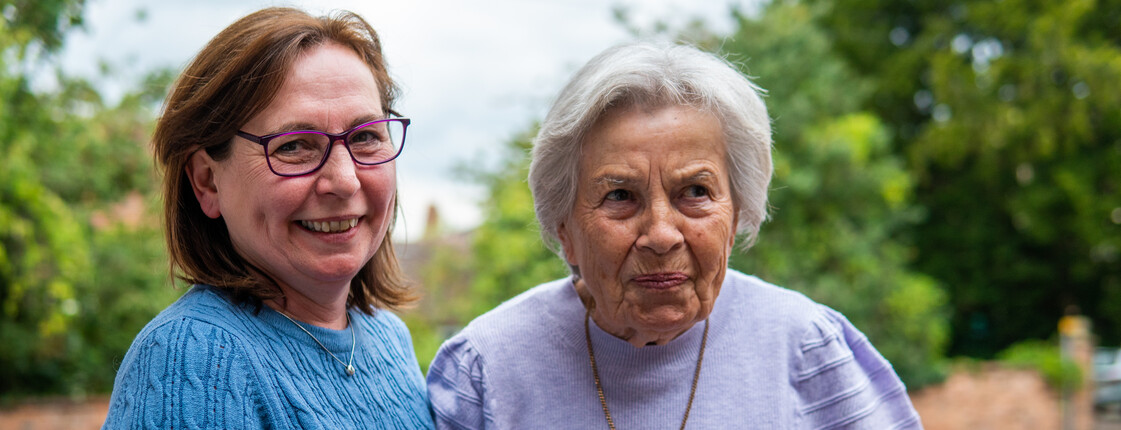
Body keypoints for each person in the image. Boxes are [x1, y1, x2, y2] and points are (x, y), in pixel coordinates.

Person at [426, 42, 922, 429]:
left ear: (737, 214)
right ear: (564, 228)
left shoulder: (806, 351)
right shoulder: (486, 370)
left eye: (695, 191)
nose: (661, 235)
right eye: (620, 195)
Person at [103, 7, 433, 429]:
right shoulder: (195, 361)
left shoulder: (389, 339)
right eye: (294, 145)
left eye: (366, 137)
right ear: (207, 181)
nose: (344, 181)